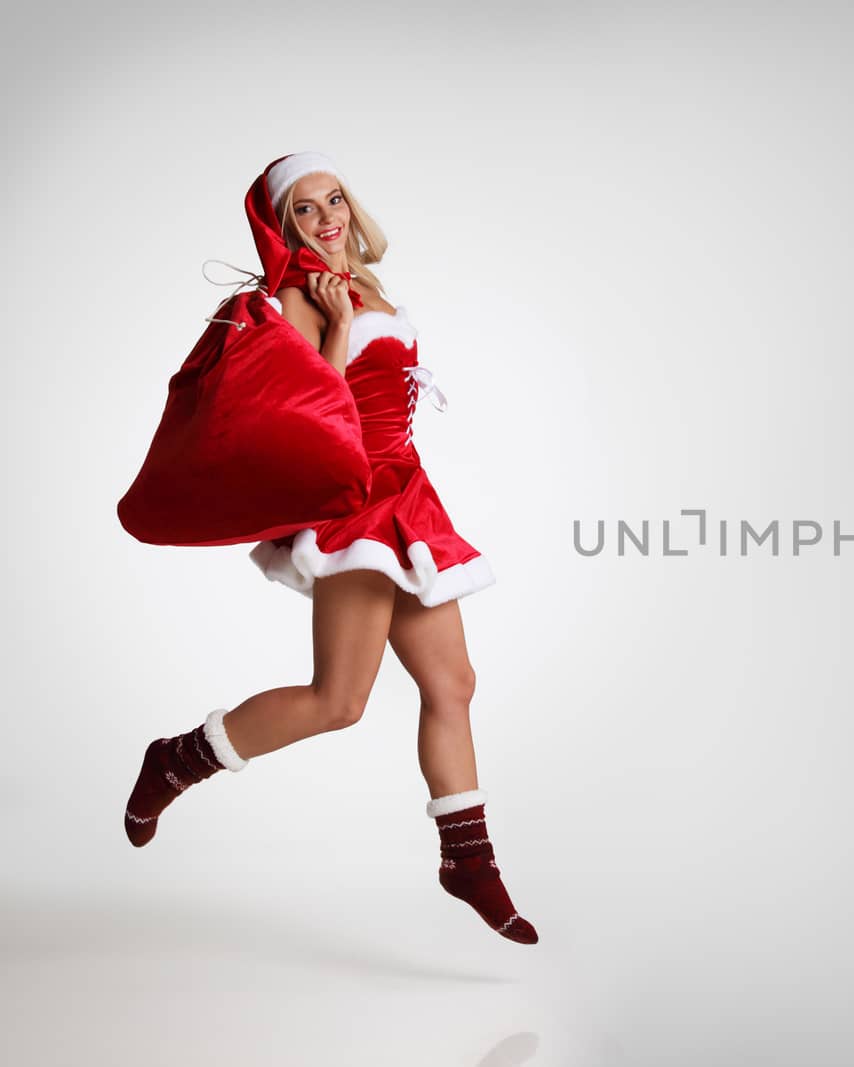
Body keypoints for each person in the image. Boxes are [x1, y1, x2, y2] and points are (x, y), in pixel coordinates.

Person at [122, 151, 537, 946]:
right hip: (354, 505)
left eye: (334, 199)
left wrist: (357, 313)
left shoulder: (371, 281)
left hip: (408, 494)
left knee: (454, 680)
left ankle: (468, 858)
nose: (326, 218)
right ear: (284, 226)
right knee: (339, 701)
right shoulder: (299, 296)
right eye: (305, 210)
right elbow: (305, 407)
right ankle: (177, 758)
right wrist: (340, 328)